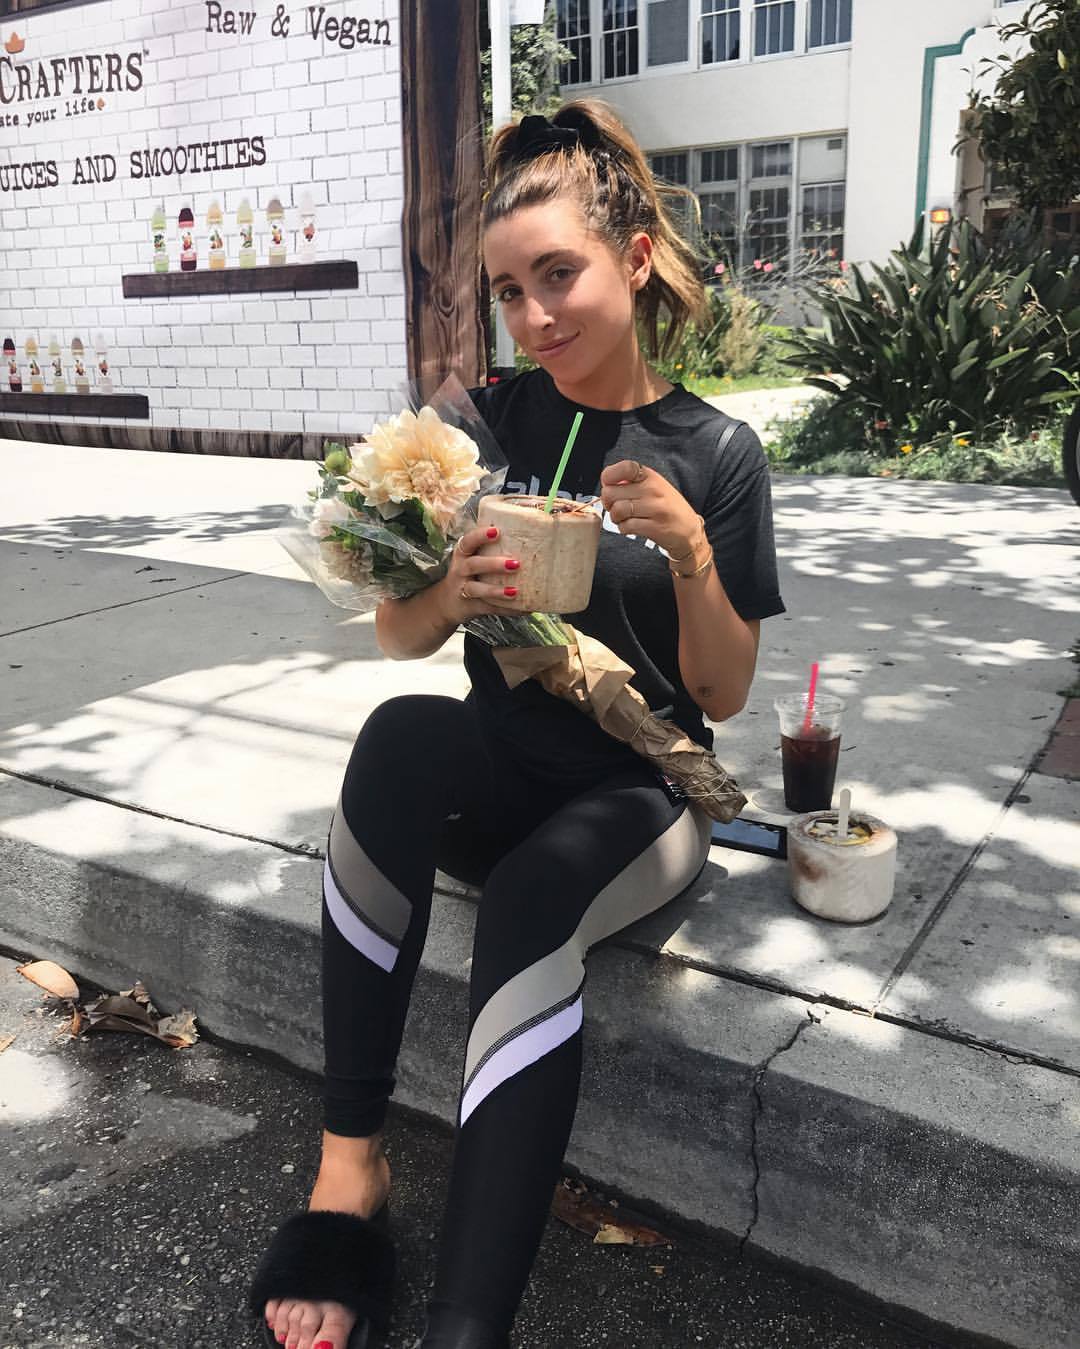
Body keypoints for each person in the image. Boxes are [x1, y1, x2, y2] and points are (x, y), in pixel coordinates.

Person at [250, 99, 785, 1349]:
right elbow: (396, 632)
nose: (535, 316)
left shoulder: (715, 449)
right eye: (508, 290)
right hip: (500, 771)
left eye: (559, 275)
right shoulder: (480, 424)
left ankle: (467, 1324)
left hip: (636, 797)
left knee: (536, 897)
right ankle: (348, 1167)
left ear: (633, 260)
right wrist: (447, 590)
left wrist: (692, 552)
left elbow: (722, 693)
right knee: (399, 732)